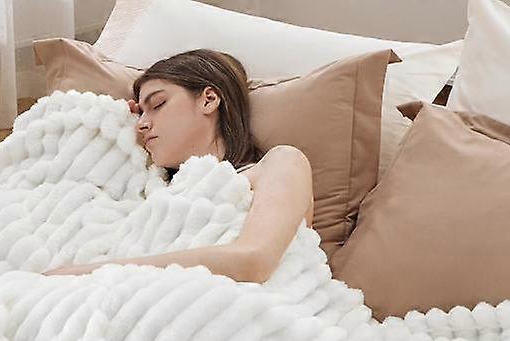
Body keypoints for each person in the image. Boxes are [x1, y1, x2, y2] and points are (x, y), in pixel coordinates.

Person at [44, 49, 314, 283]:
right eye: (140, 113)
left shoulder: (280, 163)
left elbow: (254, 260)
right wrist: (116, 132)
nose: (142, 124)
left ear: (209, 99)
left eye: (158, 104)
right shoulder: (152, 198)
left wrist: (87, 273)